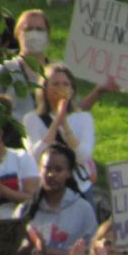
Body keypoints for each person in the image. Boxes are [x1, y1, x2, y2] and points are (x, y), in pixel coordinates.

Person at [14, 144, 97, 255]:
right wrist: (28, 246)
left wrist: (47, 252)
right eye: (47, 169)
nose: (52, 175)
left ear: (69, 173)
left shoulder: (83, 209)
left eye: (58, 170)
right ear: (39, 170)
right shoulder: (24, 210)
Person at [23, 64, 97, 201]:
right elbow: (36, 156)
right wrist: (56, 121)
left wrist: (65, 125)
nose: (61, 88)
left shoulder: (84, 118)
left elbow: (83, 156)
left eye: (65, 84)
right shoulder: (31, 119)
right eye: (55, 84)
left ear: (72, 90)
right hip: (48, 188)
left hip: (79, 187)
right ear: (44, 89)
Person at [0, 10, 51, 122]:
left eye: (39, 29)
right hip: (15, 136)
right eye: (28, 29)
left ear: (48, 34)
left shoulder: (57, 71)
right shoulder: (6, 68)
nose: (34, 33)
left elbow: (74, 108)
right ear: (17, 34)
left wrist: (95, 92)